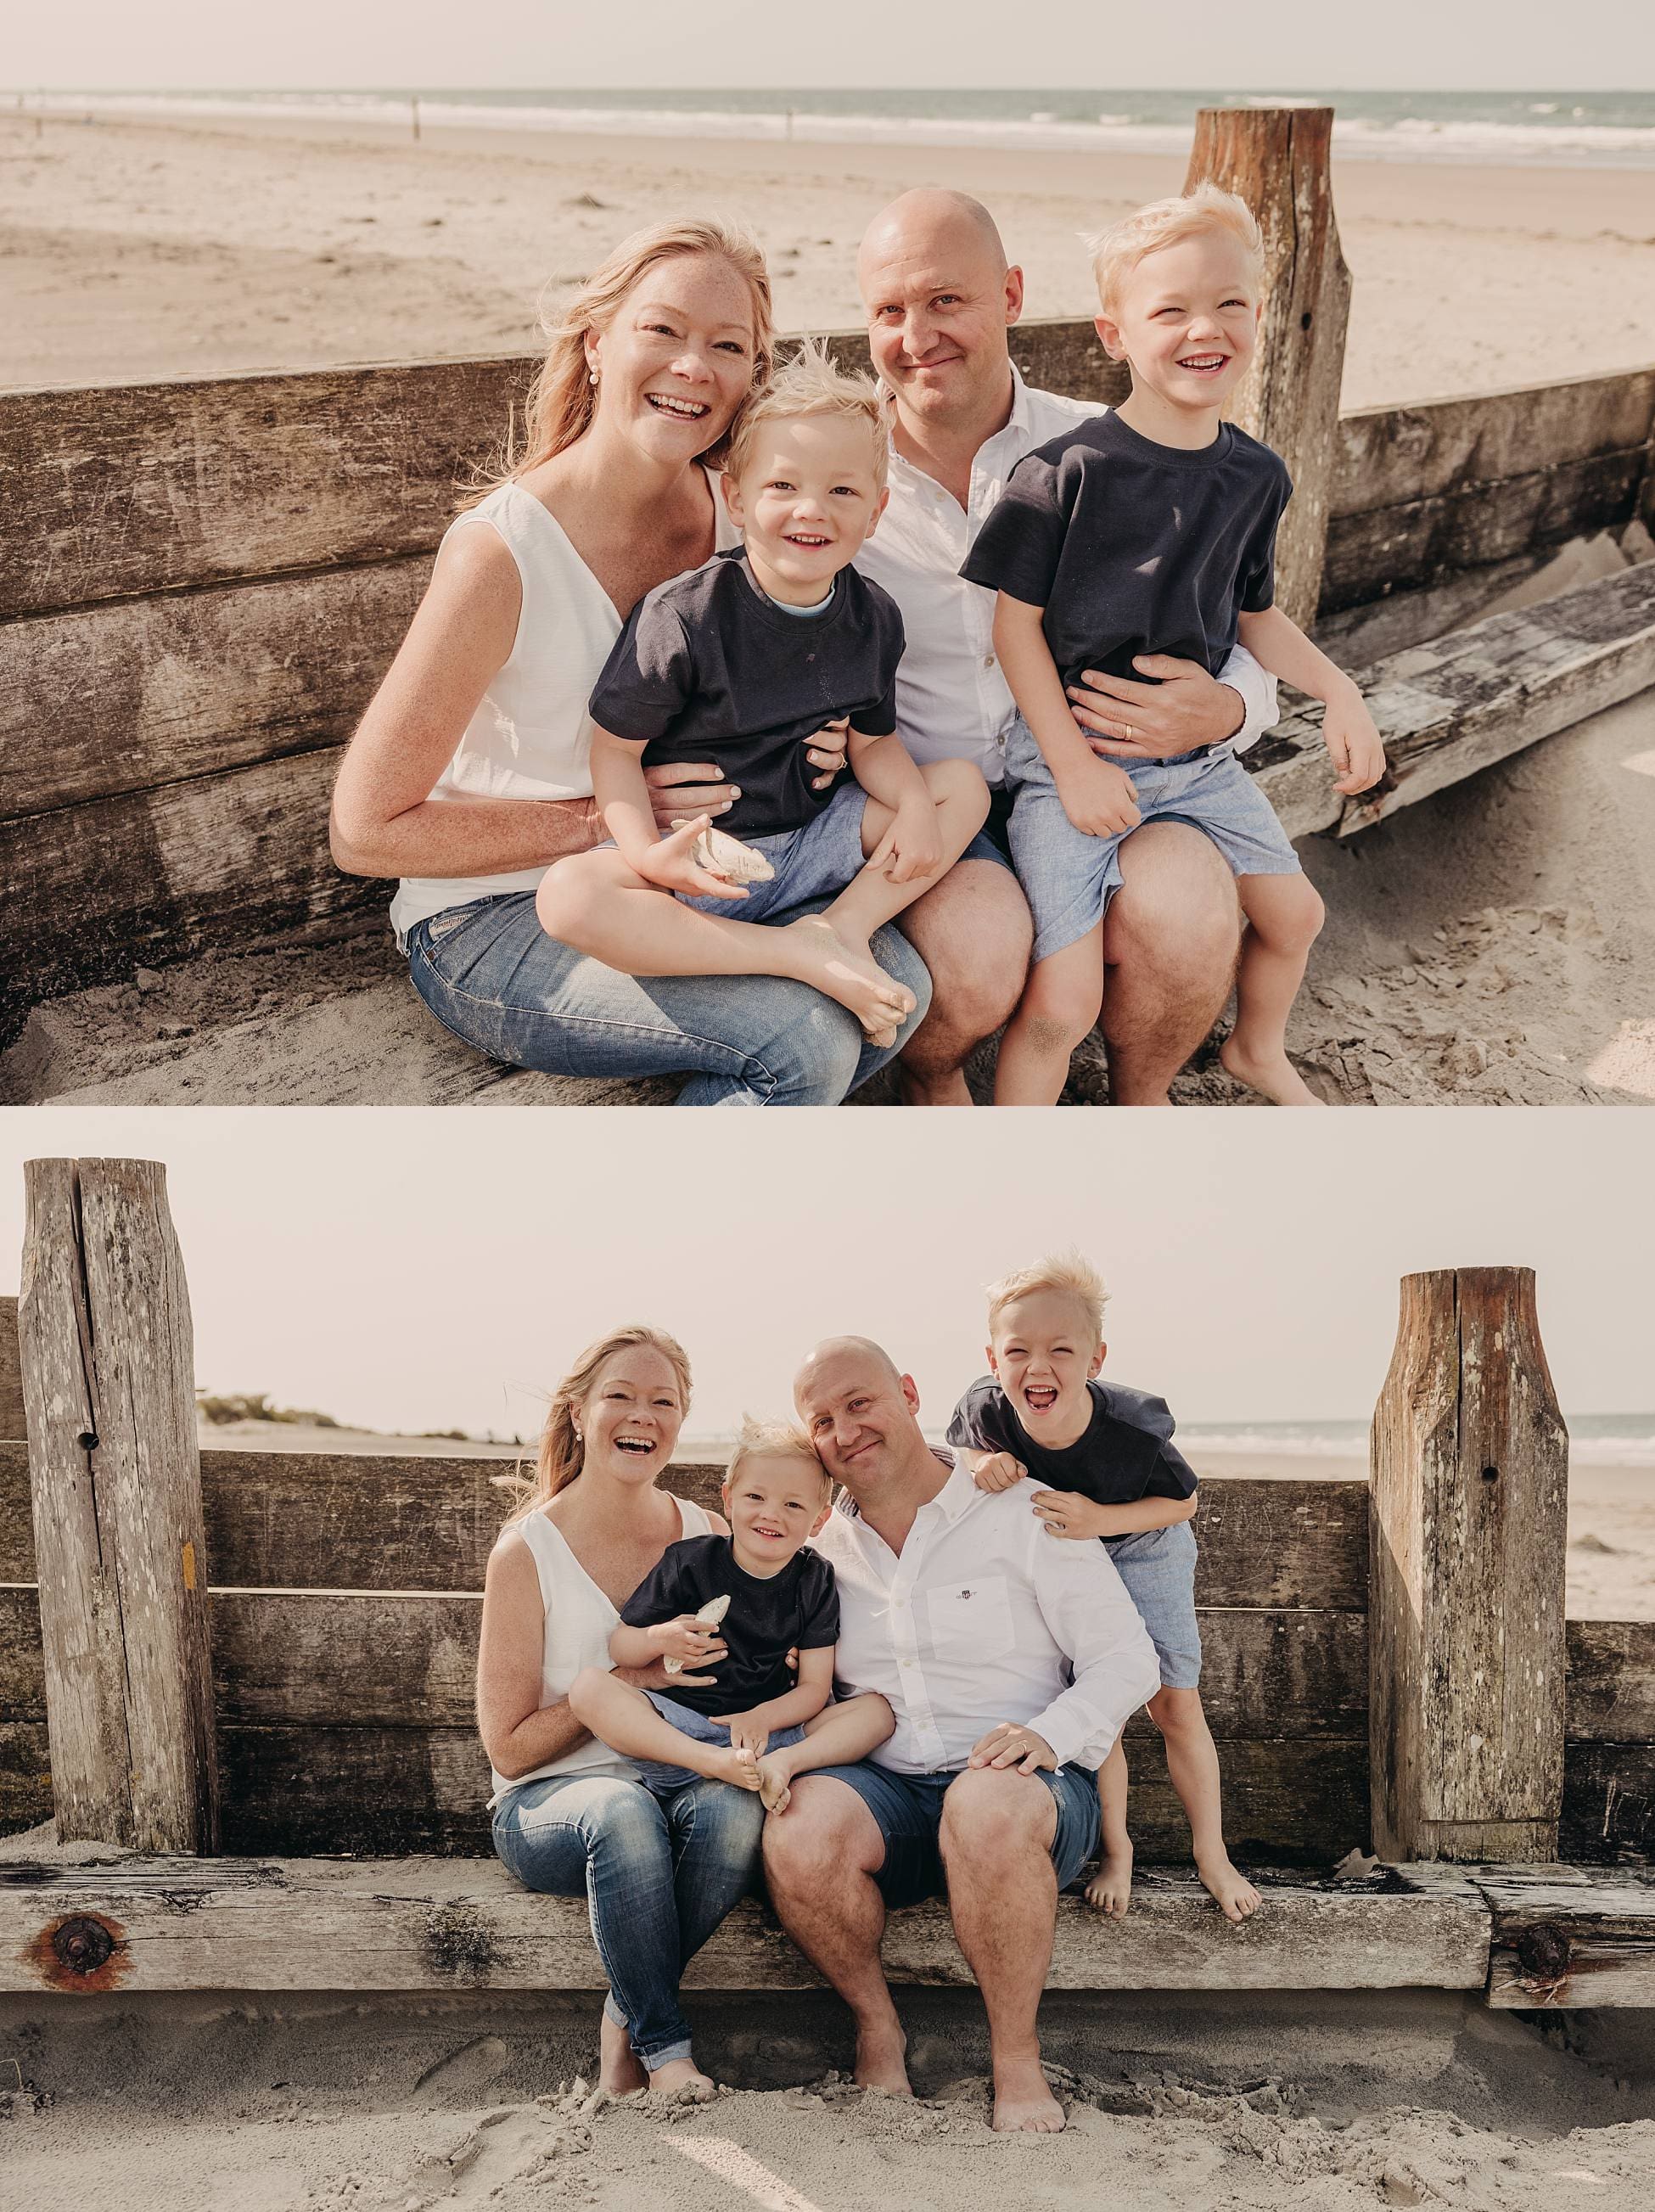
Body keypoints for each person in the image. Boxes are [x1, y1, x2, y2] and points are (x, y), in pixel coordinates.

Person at [330, 219, 930, 1105]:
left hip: (694, 877)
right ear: (596, 344)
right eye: (662, 329)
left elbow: (800, 660)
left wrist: (827, 735)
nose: (694, 365)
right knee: (804, 1039)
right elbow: (365, 831)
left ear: (749, 377)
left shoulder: (746, 510)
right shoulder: (501, 554)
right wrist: (606, 819)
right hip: (498, 914)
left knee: (898, 991)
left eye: (727, 345)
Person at [848, 188, 1284, 1105]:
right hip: (938, 804)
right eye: (889, 310)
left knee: (1190, 914)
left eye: (946, 299)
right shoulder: (830, 472)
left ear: (1011, 294)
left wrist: (1229, 707)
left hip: (1111, 781)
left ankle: (1140, 1099)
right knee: (975, 958)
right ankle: (934, 1087)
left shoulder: (1110, 449)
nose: (917, 335)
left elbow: (1236, 618)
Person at [962, 188, 1387, 1105]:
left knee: (1296, 915)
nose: (1206, 327)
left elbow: (1256, 616)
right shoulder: (1064, 472)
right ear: (1114, 335)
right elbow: (1013, 627)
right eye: (1171, 310)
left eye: (1230, 302)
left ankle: (1256, 1050)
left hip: (1198, 767)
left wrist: (1340, 692)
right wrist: (1073, 767)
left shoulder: (1257, 476)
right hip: (1071, 769)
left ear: (1260, 315)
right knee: (1062, 1003)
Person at [536, 345, 987, 1047]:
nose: (812, 510)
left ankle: (843, 928)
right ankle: (789, 952)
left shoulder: (873, 617)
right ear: (737, 499)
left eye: (843, 492)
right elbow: (616, 751)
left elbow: (874, 743)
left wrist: (914, 808)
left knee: (960, 787)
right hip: (707, 857)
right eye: (783, 485)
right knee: (570, 897)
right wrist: (649, 854)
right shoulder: (683, 617)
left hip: (817, 838)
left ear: (876, 511)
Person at [769, 1336, 1160, 2134]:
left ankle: (1015, 2059)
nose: (845, 1431)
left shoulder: (1021, 1512)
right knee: (799, 1828)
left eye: (860, 1403)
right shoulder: (817, 1551)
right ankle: (877, 2026)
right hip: (889, 1795)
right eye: (823, 1420)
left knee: (984, 1806)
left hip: (1026, 1798)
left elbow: (1129, 1658)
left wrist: (1051, 1734)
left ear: (910, 1394)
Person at [476, 1323, 762, 2103]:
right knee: (621, 1811)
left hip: (676, 1782)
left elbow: (746, 1680)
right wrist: (632, 1674)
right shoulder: (527, 1553)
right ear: (579, 1413)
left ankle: (622, 2017)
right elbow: (509, 1750)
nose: (643, 1415)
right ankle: (665, 2052)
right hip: (550, 1810)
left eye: (663, 1402)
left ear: (681, 1420)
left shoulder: (710, 1535)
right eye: (621, 1397)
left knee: (734, 1811)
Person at [947, 1251, 1260, 1924]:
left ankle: (1212, 1852)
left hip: (1141, 1544)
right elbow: (958, 1451)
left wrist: (1100, 1520)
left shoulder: (1131, 1428)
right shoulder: (985, 1410)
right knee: (1100, 1710)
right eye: (1018, 1351)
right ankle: (1118, 1851)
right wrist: (980, 1461)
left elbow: (1183, 1503)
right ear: (993, 1359)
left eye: (1061, 1350)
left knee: (1174, 1704)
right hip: (1063, 1553)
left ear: (1096, 1359)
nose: (1038, 1366)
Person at [569, 1416, 895, 1806]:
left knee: (877, 1713)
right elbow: (621, 1646)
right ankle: (711, 1762)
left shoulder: (814, 1578)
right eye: (756, 1497)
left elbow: (814, 1688)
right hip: (681, 1731)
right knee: (589, 1688)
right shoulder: (691, 1562)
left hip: (770, 1735)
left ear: (819, 1520)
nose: (771, 1514)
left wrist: (762, 1719)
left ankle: (783, 1766)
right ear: (728, 1499)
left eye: (793, 1504)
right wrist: (659, 1638)